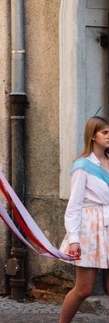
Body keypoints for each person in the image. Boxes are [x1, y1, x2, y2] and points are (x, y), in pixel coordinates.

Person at [59, 116, 109, 322]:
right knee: (84, 289)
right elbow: (74, 206)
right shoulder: (82, 166)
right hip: (90, 229)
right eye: (105, 132)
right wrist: (74, 239)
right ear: (92, 136)